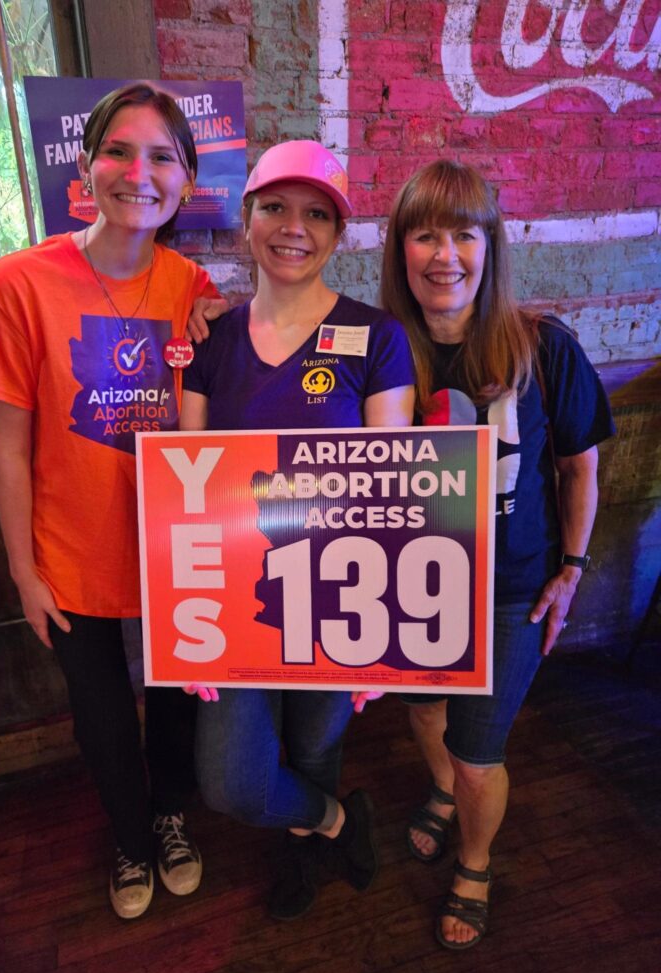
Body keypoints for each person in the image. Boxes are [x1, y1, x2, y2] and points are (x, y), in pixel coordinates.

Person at [0, 82, 224, 920]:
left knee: (177, 707)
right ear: (85, 164)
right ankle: (130, 837)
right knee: (101, 718)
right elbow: (9, 450)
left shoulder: (193, 286)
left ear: (186, 181)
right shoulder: (17, 283)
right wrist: (24, 574)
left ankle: (169, 817)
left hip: (175, 551)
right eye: (118, 151)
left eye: (162, 157)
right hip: (69, 552)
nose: (139, 173)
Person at [380, 159, 615, 950]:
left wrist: (572, 570)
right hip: (406, 583)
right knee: (425, 712)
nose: (444, 255)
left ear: (491, 246)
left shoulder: (545, 347)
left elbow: (579, 468)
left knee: (480, 753)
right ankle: (442, 791)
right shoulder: (378, 350)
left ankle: (474, 863)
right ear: (400, 250)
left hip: (512, 588)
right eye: (425, 235)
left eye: (464, 234)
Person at [180, 140, 416, 920]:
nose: (294, 228)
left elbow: (391, 491)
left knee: (315, 748)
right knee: (234, 782)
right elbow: (187, 488)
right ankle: (339, 821)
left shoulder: (377, 339)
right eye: (275, 207)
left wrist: (386, 631)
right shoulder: (210, 342)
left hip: (339, 594)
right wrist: (187, 619)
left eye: (317, 214)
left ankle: (303, 851)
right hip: (235, 601)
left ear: (338, 234)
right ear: (246, 218)